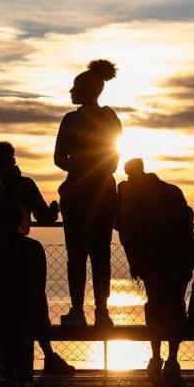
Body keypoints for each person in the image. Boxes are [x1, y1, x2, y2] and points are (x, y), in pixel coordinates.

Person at [0, 141, 75, 387]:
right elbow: (44, 216)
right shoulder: (23, 185)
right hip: (13, 250)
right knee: (33, 301)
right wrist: (54, 210)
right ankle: (46, 355)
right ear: (13, 158)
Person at [116, 157, 194, 384]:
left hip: (160, 259)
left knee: (155, 306)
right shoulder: (170, 191)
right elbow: (187, 221)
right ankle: (171, 360)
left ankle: (158, 358)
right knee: (174, 306)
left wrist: (136, 262)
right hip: (181, 257)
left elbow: (124, 227)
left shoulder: (129, 194)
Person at [53, 58, 122, 326]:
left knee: (79, 254)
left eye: (75, 87)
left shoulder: (71, 120)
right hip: (102, 192)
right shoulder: (110, 118)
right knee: (99, 253)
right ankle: (99, 312)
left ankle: (81, 310)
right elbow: (112, 160)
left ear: (88, 90)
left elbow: (60, 158)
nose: (71, 92)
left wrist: (80, 166)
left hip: (81, 194)